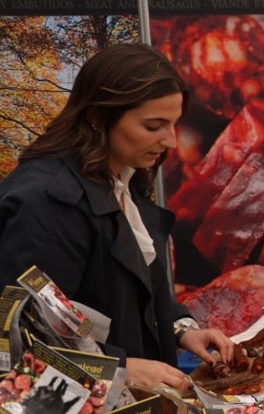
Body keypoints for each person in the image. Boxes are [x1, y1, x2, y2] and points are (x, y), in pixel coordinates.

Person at [0, 43, 234, 393]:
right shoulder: (46, 203)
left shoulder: (122, 174)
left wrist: (181, 328)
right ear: (97, 116)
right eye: (153, 126)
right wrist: (120, 369)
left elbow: (134, 290)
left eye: (173, 124)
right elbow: (23, 334)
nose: (170, 141)